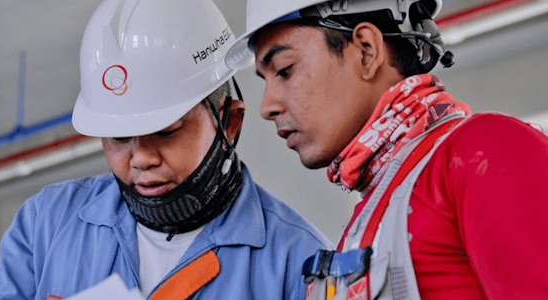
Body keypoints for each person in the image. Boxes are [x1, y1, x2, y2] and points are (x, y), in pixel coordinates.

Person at [0, 0, 330, 299]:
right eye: (118, 138)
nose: (141, 159)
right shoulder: (46, 225)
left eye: (166, 132)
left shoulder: (299, 262)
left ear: (230, 122)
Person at [226, 0, 548, 299]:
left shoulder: (484, 152)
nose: (267, 106)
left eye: (284, 70)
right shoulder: (369, 216)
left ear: (366, 50)